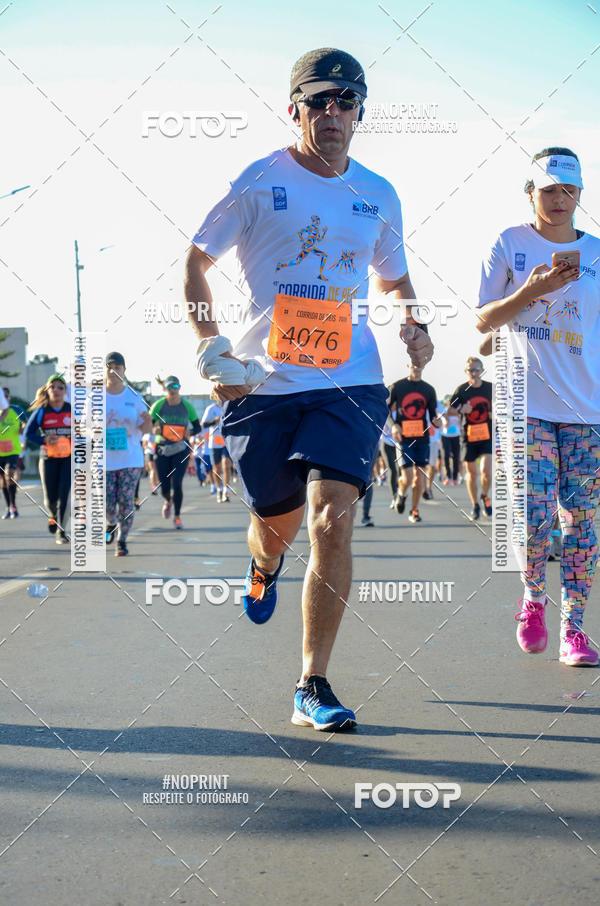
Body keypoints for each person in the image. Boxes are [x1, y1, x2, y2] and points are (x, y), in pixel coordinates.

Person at [185, 47, 433, 731]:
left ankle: (311, 683)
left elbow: (394, 277)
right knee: (277, 526)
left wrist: (414, 324)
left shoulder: (378, 193)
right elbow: (196, 263)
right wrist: (209, 343)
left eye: (345, 101)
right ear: (293, 109)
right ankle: (263, 566)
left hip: (349, 381)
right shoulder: (258, 180)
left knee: (331, 517)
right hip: (262, 386)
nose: (332, 112)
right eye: (318, 100)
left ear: (360, 114)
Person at [476, 146, 600, 667]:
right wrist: (533, 291)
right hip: (525, 402)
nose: (559, 199)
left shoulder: (596, 252)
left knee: (581, 523)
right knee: (534, 515)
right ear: (531, 193)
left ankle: (574, 628)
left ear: (580, 194)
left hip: (588, 410)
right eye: (549, 190)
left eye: (569, 190)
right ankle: (533, 598)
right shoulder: (510, 243)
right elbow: (484, 320)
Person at [104, 352, 152, 556]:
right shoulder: (94, 397)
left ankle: (122, 540)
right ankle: (110, 522)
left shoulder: (133, 396)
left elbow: (147, 425)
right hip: (103, 460)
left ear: (124, 370)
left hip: (130, 457)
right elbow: (83, 426)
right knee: (106, 501)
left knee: (125, 500)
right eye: (109, 367)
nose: (113, 371)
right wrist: (94, 432)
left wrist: (146, 425)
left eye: (117, 367)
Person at [389, 363, 441, 524]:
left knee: (419, 479)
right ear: (408, 365)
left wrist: (437, 421)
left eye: (419, 364)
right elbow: (385, 409)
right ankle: (401, 494)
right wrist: (393, 425)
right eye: (414, 363)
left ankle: (414, 510)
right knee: (407, 477)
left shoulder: (429, 389)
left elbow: (432, 415)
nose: (416, 366)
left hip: (422, 438)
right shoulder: (397, 386)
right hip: (403, 438)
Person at [24, 374, 71, 543]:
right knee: (50, 499)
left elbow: (84, 431)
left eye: (60, 387)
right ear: (47, 390)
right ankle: (52, 515)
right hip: (48, 459)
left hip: (67, 459)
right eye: (53, 387)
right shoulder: (42, 411)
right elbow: (28, 433)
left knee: (64, 494)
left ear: (65, 391)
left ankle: (61, 531)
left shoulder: (71, 410)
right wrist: (44, 439)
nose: (56, 390)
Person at [150, 376, 201, 530]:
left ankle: (177, 516)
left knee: (177, 483)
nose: (173, 390)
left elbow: (197, 427)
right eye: (169, 387)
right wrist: (154, 429)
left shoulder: (187, 406)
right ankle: (168, 500)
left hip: (181, 448)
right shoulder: (158, 405)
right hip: (163, 448)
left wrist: (190, 432)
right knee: (164, 486)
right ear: (165, 389)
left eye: (175, 386)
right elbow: (148, 424)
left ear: (179, 387)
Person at [448, 357, 493, 521]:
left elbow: (504, 406)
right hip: (468, 436)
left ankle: (484, 495)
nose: (473, 373)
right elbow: (449, 410)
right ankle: (475, 505)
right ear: (466, 371)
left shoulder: (491, 388)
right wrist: (461, 409)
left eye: (476, 369)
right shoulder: (461, 390)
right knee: (472, 474)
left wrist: (495, 414)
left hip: (487, 435)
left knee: (486, 472)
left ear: (482, 370)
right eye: (470, 370)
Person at [201, 400, 232, 502]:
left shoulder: (231, 406)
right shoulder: (211, 409)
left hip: (227, 441)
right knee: (216, 468)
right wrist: (215, 420)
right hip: (214, 443)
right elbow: (204, 424)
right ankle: (219, 489)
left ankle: (226, 491)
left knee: (226, 466)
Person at [0, 399, 22, 519]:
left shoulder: (16, 409)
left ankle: (13, 505)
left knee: (10, 475)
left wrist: (22, 428)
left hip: (13, 450)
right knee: (3, 480)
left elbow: (26, 423)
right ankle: (8, 506)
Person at [440, 394, 461, 485]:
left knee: (456, 457)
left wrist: (457, 414)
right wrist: (446, 420)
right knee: (446, 456)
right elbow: (442, 417)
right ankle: (448, 476)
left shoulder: (459, 411)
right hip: (446, 436)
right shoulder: (444, 410)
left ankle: (455, 478)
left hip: (456, 436)